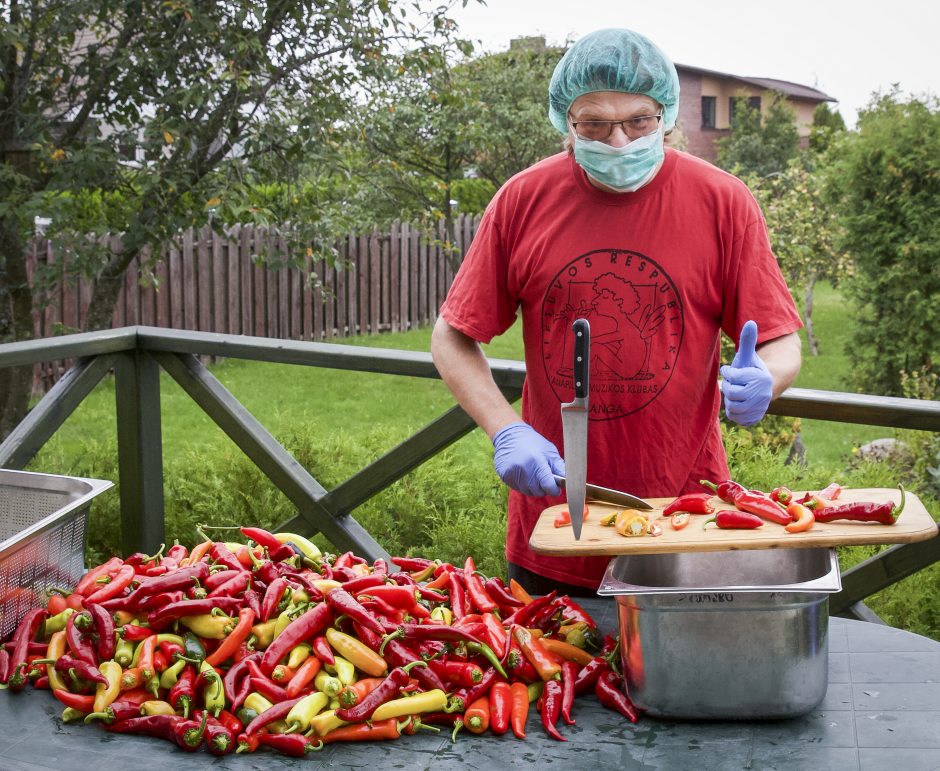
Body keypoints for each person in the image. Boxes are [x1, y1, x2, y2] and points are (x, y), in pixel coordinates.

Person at [431, 28, 802, 595]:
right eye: (595, 125)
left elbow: (781, 340)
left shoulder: (723, 201)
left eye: (639, 121)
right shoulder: (523, 200)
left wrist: (766, 379)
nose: (620, 140)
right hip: (557, 522)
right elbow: (452, 337)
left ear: (667, 116)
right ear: (566, 123)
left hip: (687, 519)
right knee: (556, 684)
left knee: (684, 684)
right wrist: (506, 429)